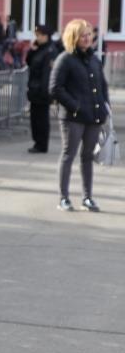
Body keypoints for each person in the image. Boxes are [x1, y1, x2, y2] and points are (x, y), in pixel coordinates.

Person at [50, 19, 110, 212]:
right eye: (82, 35)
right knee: (69, 155)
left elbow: (102, 86)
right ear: (73, 37)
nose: (87, 38)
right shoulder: (65, 59)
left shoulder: (94, 60)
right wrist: (74, 106)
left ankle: (87, 197)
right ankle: (64, 198)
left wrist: (104, 108)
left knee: (87, 157)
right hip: (73, 117)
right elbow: (55, 88)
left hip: (93, 117)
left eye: (89, 34)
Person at [25, 24, 60, 154]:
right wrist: (32, 50)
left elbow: (47, 73)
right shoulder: (39, 49)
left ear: (46, 36)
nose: (37, 38)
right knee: (35, 119)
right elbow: (29, 62)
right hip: (34, 90)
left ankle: (42, 144)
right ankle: (37, 142)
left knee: (41, 120)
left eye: (39, 35)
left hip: (42, 91)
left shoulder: (51, 51)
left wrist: (46, 93)